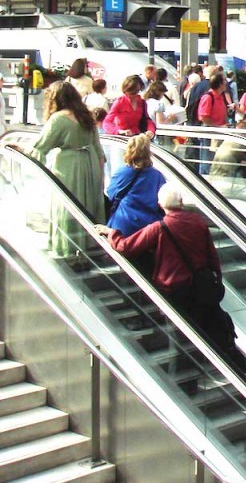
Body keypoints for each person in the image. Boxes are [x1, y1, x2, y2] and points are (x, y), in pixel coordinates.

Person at [98, 184, 234, 352]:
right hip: (200, 287)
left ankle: (185, 366)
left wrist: (111, 232)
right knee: (200, 330)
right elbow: (212, 255)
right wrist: (216, 279)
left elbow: (126, 247)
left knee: (181, 335)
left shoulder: (159, 228)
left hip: (174, 290)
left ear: (160, 204)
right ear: (181, 202)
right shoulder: (198, 222)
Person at [28, 82, 105, 263]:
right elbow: (99, 151)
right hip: (90, 162)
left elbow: (40, 147)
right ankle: (88, 249)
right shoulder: (85, 115)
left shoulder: (58, 119)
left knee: (66, 207)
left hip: (69, 166)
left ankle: (68, 250)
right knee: (87, 206)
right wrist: (99, 178)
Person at [105, 134, 166, 237]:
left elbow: (111, 194)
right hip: (150, 228)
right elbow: (163, 204)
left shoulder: (121, 173)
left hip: (124, 225)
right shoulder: (158, 176)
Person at [197, 73, 230, 175]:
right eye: (224, 81)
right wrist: (216, 126)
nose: (226, 83)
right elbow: (203, 116)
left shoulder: (220, 96)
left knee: (215, 159)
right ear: (220, 84)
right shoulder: (208, 97)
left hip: (219, 132)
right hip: (210, 133)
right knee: (207, 161)